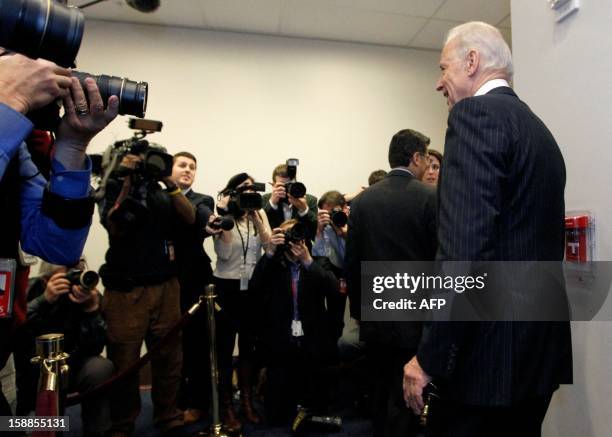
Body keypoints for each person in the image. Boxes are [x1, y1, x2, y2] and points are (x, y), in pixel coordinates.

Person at [403, 22, 572, 437]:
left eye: (444, 68)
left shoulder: (475, 117)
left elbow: (463, 255)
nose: (439, 83)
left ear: (472, 62)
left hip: (486, 368)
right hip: (537, 356)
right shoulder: (539, 130)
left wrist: (428, 358)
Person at [0, 51, 118, 414]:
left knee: (15, 424)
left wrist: (71, 146)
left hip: (1, 346)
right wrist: (9, 103)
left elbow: (55, 244)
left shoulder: (22, 140)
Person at [345, 129, 437, 437]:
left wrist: (359, 310)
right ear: (415, 157)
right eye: (426, 157)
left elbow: (353, 263)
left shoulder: (361, 202)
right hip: (415, 314)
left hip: (375, 315)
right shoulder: (431, 198)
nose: (428, 164)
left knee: (380, 390)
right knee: (408, 396)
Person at [99, 147, 196, 436]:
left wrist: (169, 181)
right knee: (124, 361)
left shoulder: (165, 191)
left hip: (165, 286)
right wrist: (127, 178)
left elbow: (189, 218)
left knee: (169, 359)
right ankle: (123, 424)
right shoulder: (116, 184)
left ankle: (168, 417)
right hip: (126, 290)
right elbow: (114, 224)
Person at [250, 219, 337, 425]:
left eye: (296, 234)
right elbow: (255, 289)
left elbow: (333, 290)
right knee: (276, 416)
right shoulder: (273, 263)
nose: (292, 240)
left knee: (317, 407)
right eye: (287, 235)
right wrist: (269, 252)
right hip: (281, 340)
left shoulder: (317, 261)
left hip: (311, 339)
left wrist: (308, 261)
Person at [14, 260, 113, 437]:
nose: (73, 281)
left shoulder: (89, 295)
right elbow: (17, 328)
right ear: (46, 280)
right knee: (15, 421)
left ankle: (97, 430)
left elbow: (96, 346)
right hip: (34, 367)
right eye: (66, 277)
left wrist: (91, 310)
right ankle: (42, 428)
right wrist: (45, 300)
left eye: (78, 275)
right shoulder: (31, 289)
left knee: (100, 368)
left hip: (73, 363)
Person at [209, 173, 272, 431]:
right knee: (224, 350)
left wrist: (258, 220)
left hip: (252, 288)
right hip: (226, 286)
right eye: (243, 188)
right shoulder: (223, 218)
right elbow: (223, 255)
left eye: (252, 188)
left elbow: (269, 249)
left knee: (248, 349)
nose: (249, 192)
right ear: (232, 193)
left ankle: (247, 402)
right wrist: (225, 216)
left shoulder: (259, 213)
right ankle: (227, 408)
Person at [169, 151, 215, 424]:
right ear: (170, 168)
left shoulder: (202, 201)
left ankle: (198, 403)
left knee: (197, 344)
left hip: (196, 280)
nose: (188, 170)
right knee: (170, 345)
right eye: (182, 165)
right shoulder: (158, 197)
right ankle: (172, 404)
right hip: (164, 280)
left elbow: (198, 222)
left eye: (192, 167)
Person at [312, 190, 349, 342]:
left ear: (344, 209)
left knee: (337, 317)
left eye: (335, 212)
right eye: (327, 213)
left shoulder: (351, 225)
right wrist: (319, 231)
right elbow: (318, 257)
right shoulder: (319, 227)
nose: (331, 217)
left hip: (342, 276)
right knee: (319, 317)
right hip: (322, 277)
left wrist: (343, 233)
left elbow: (348, 257)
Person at [261, 163, 318, 244]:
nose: (287, 189)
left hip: (302, 249)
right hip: (276, 249)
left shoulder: (310, 200)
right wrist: (272, 203)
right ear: (273, 185)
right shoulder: (266, 199)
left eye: (290, 185)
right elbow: (260, 227)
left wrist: (304, 210)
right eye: (282, 185)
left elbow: (315, 232)